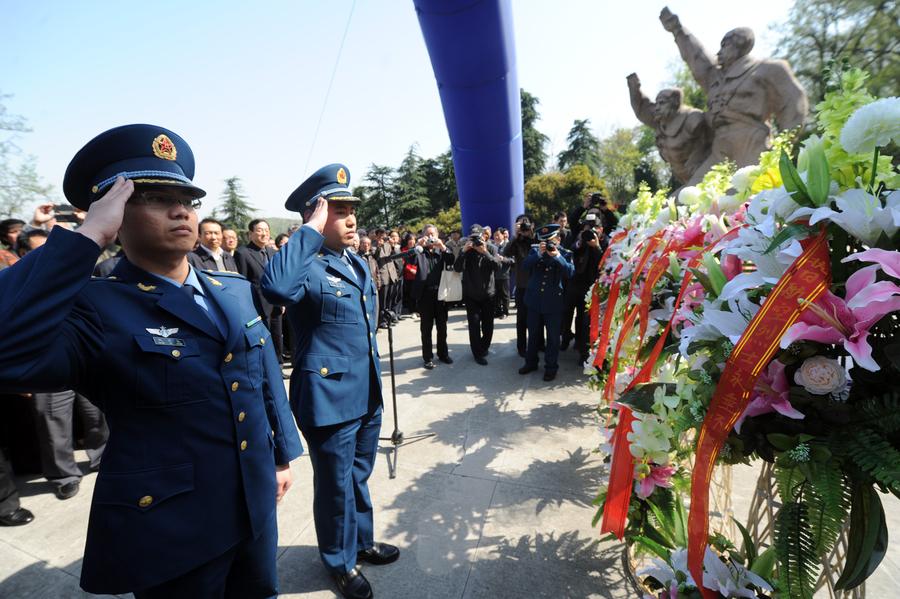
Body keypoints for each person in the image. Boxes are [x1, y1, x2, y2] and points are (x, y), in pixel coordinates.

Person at [0, 124, 302, 596]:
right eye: (154, 197)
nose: (181, 209)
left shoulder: (235, 290)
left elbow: (262, 379)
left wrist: (281, 455)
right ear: (113, 211)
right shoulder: (95, 307)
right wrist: (86, 238)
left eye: (187, 199)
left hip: (255, 504)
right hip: (172, 526)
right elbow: (7, 353)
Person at [262, 163, 398, 599]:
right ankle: (339, 563)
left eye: (352, 208)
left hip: (365, 391)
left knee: (358, 476)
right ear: (317, 215)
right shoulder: (305, 266)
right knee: (336, 483)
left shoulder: (355, 262)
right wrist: (309, 231)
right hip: (328, 397)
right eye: (339, 210)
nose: (352, 218)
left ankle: (360, 542)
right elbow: (277, 289)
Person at [518, 224, 575, 381]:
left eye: (550, 240)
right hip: (534, 301)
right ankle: (531, 362)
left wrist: (557, 256)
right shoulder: (535, 251)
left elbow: (570, 272)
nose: (548, 244)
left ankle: (551, 367)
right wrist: (538, 253)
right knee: (534, 334)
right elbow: (524, 266)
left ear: (558, 239)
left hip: (553, 303)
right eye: (544, 241)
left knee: (553, 338)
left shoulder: (565, 253)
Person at [235, 219, 285, 367]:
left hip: (276, 303)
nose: (264, 233)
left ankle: (278, 365)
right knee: (263, 337)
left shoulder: (273, 252)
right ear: (251, 234)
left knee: (277, 336)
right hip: (257, 304)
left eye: (266, 230)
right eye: (260, 230)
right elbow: (242, 281)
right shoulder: (242, 253)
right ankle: (266, 368)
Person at [455, 224, 500, 365]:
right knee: (474, 325)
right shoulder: (466, 250)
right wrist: (463, 251)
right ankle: (477, 353)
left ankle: (484, 347)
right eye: (472, 238)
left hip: (488, 294)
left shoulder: (491, 248)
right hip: (471, 294)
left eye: (478, 238)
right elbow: (457, 268)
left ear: (484, 236)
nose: (475, 241)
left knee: (488, 325)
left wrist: (485, 252)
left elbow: (497, 267)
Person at [411, 224, 455, 369]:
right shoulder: (419, 252)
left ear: (437, 236)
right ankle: (428, 357)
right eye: (427, 234)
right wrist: (418, 245)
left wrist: (442, 246)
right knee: (426, 328)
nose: (430, 238)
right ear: (423, 236)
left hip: (441, 294)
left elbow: (451, 260)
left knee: (442, 327)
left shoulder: (441, 251)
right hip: (425, 295)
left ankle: (443, 354)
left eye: (433, 234)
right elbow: (409, 263)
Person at [561, 218, 603, 363]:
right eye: (586, 230)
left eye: (593, 229)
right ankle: (566, 337)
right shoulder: (579, 242)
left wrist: (596, 246)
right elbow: (572, 250)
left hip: (590, 288)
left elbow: (603, 263)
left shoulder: (603, 242)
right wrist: (580, 241)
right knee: (566, 313)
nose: (589, 234)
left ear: (600, 229)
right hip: (574, 284)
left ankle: (583, 353)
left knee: (584, 321)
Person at [503, 216, 541, 357]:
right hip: (522, 285)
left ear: (532, 225)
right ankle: (521, 347)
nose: (524, 227)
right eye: (521, 224)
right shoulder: (517, 241)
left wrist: (531, 234)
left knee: (538, 318)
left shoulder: (538, 238)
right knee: (522, 318)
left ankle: (538, 344)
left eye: (527, 223)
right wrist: (516, 235)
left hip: (537, 285)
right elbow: (506, 253)